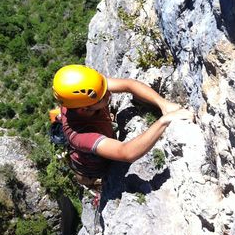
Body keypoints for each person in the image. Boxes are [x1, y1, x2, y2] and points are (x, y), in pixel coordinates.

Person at [52, 64, 193, 189]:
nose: (108, 93)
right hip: (89, 165)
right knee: (86, 178)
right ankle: (90, 184)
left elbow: (129, 85)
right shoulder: (80, 136)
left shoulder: (87, 95)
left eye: (105, 89)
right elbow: (127, 153)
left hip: (97, 139)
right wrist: (164, 121)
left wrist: (163, 104)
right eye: (103, 97)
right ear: (84, 109)